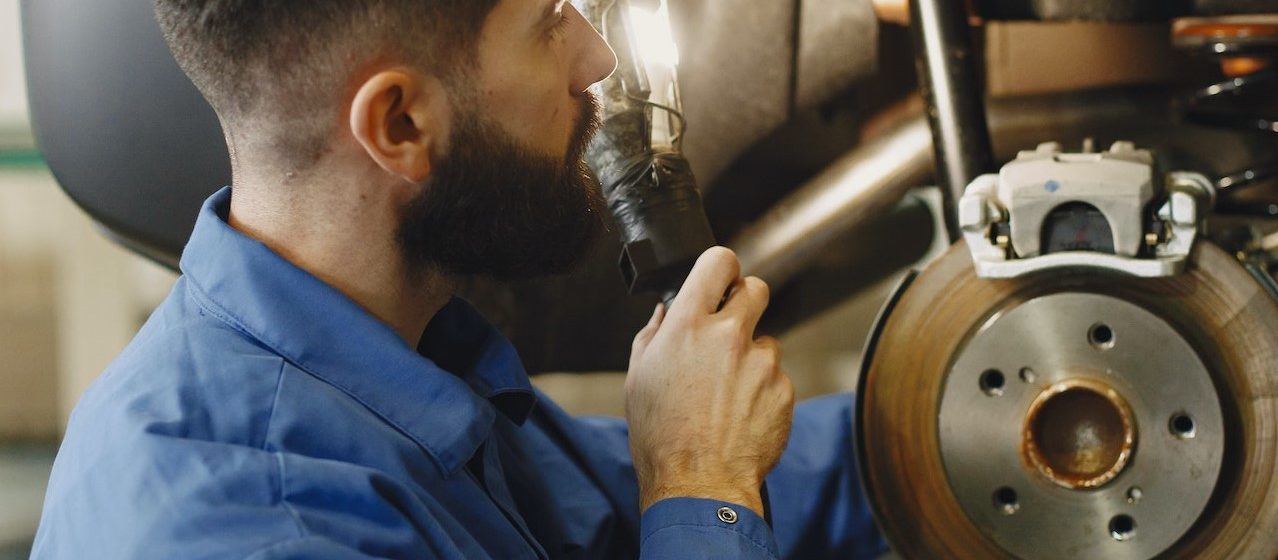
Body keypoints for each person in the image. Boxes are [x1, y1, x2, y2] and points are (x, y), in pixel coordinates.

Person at [32, 1, 885, 558]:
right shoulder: (260, 529)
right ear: (400, 122)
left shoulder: (402, 356)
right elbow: (685, 485)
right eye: (550, 23)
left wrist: (944, 411)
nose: (592, 60)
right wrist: (702, 478)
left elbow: (624, 501)